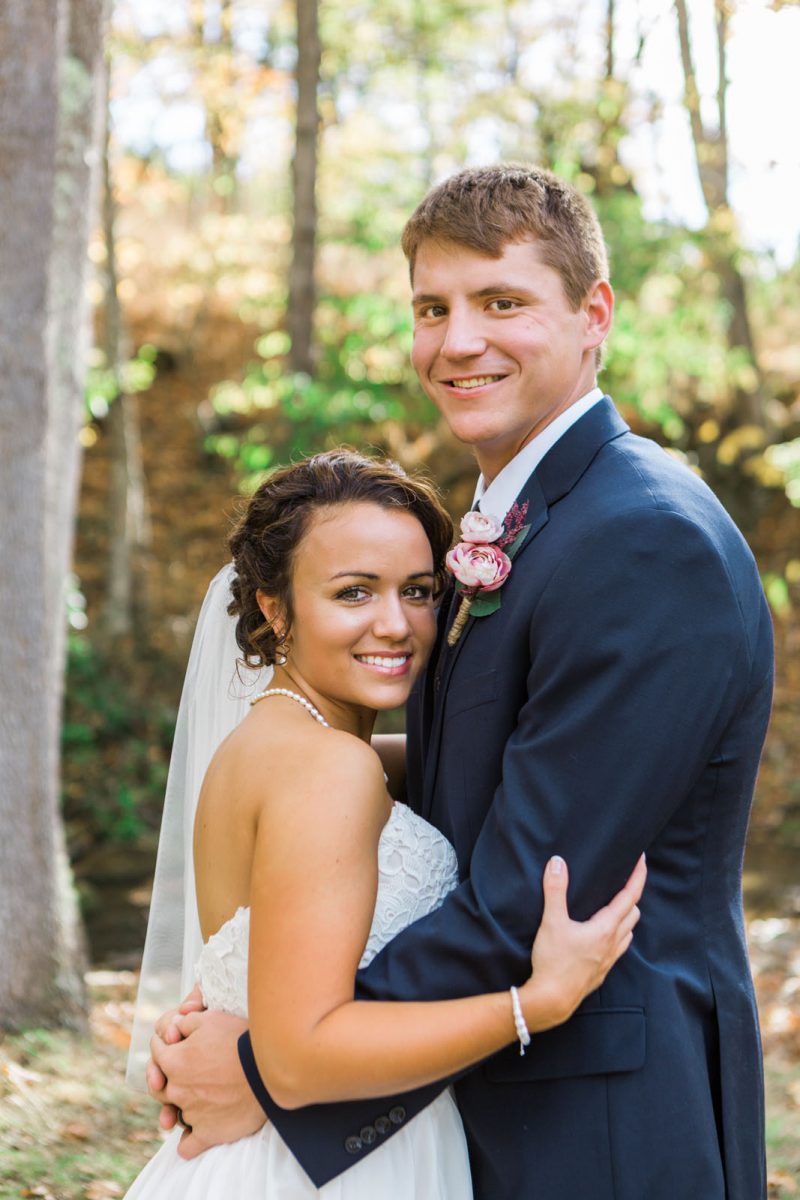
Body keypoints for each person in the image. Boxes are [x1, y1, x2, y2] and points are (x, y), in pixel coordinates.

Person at [148, 165, 774, 1200]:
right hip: (483, 1102)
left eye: (501, 303)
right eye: (431, 309)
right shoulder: (513, 526)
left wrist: (269, 1066)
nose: (457, 342)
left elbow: (527, 896)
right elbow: (488, 768)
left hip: (600, 1117)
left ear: (592, 315)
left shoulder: (641, 541)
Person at [127, 449, 644, 1199]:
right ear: (276, 608)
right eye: (353, 593)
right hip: (323, 1166)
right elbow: (299, 1059)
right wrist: (535, 1005)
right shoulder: (328, 772)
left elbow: (451, 764)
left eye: (419, 591)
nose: (395, 625)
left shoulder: (279, 743)